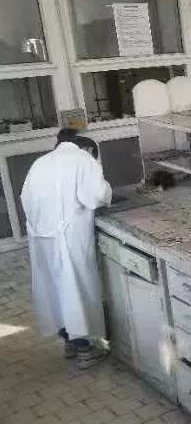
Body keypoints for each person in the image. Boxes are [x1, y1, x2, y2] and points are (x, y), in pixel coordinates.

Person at [21, 129, 112, 369]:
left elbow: (25, 198)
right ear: (89, 149)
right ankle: (85, 350)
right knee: (76, 290)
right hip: (69, 238)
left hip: (43, 238)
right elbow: (97, 195)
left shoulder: (40, 162)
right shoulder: (83, 159)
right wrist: (107, 191)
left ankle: (70, 343)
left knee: (54, 291)